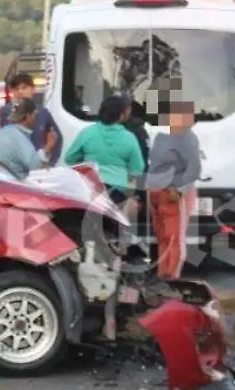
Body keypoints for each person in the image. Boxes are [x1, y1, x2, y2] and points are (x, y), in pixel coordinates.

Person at [145, 100, 201, 280]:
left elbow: (193, 169)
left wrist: (179, 190)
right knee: (162, 238)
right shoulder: (163, 137)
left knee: (174, 238)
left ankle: (172, 277)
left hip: (173, 195)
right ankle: (163, 276)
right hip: (158, 194)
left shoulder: (188, 139)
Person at [64, 95, 145, 205]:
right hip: (119, 193)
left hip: (91, 187)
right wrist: (132, 194)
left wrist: (86, 165)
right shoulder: (130, 138)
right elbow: (138, 169)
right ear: (121, 116)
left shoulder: (87, 133)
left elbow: (70, 157)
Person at [0, 72, 62, 164]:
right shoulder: (6, 111)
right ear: (12, 91)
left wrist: (51, 161)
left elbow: (57, 137)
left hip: (40, 164)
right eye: (16, 89)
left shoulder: (43, 112)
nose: (20, 92)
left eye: (24, 88)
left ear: (33, 89)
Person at [0, 98, 57, 179]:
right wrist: (48, 147)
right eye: (35, 115)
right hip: (17, 183)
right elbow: (36, 166)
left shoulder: (5, 131)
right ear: (28, 116)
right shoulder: (17, 137)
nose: (36, 118)